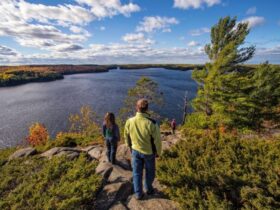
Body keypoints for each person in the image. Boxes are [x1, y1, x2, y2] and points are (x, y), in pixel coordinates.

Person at [124, 99, 162, 200]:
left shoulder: (129, 121)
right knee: (150, 172)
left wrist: (128, 145)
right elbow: (158, 140)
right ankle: (148, 189)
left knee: (136, 173)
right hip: (148, 153)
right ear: (147, 108)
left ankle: (138, 194)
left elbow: (126, 135)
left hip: (135, 151)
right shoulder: (152, 123)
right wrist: (158, 152)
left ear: (137, 107)